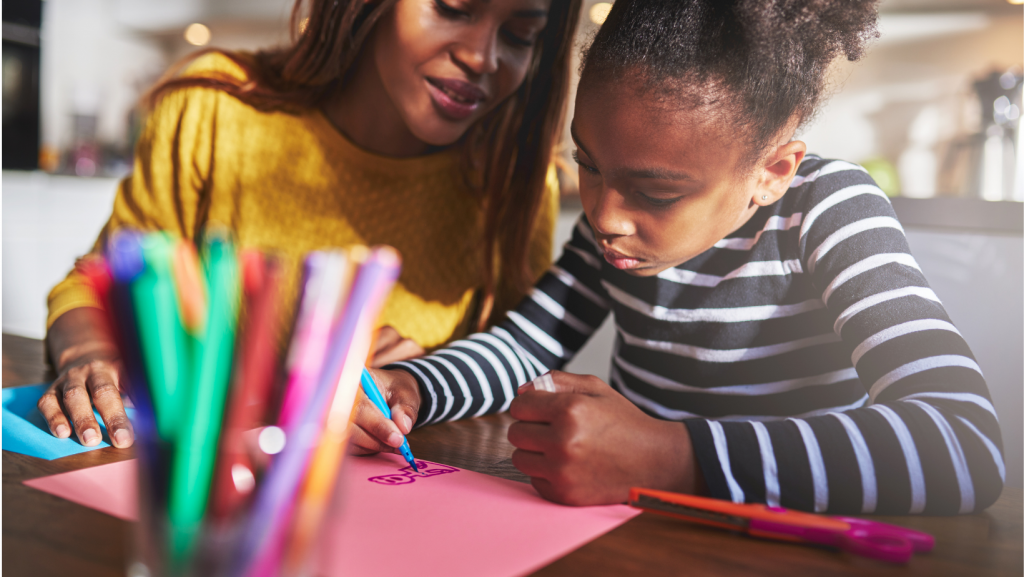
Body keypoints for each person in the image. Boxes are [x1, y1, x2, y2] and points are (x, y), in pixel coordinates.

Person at [355, 0, 1006, 514]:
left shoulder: (829, 211)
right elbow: (525, 347)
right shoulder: (616, 230)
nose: (604, 216)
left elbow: (964, 443)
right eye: (588, 162)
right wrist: (412, 387)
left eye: (655, 190)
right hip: (641, 531)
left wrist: (668, 454)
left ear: (772, 171)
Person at [40, 0, 582, 450]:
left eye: (519, 35)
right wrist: (88, 352)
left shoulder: (518, 180)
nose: (480, 57)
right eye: (452, 8)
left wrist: (434, 377)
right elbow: (93, 282)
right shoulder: (212, 109)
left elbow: (517, 364)